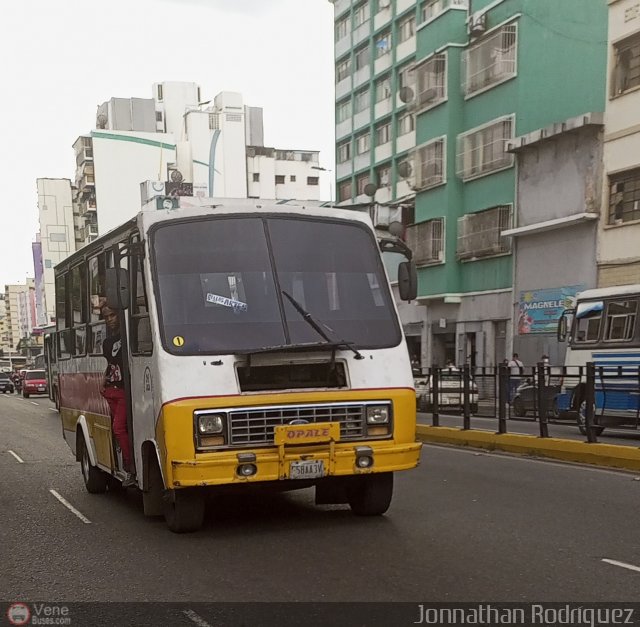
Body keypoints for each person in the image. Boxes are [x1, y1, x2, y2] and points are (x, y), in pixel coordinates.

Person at [100, 304, 135, 487]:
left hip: (123, 391)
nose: (109, 319)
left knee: (119, 428)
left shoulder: (130, 337)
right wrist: (103, 382)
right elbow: (110, 364)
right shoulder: (107, 343)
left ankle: (130, 467)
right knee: (120, 429)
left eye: (112, 315)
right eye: (106, 317)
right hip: (110, 391)